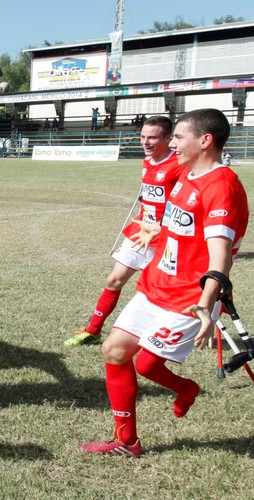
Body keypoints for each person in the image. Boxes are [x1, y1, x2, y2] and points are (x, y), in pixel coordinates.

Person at [80, 108, 248, 457]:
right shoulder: (187, 176)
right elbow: (184, 226)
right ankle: (127, 442)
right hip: (155, 285)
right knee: (114, 351)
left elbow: (220, 255)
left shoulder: (222, 187)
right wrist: (157, 230)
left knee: (146, 365)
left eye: (179, 137)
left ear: (205, 140)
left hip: (188, 298)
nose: (173, 144)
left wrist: (206, 303)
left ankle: (186, 388)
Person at [66, 116, 186, 346]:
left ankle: (176, 333)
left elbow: (182, 202)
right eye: (143, 137)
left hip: (165, 238)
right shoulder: (147, 161)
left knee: (163, 291)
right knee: (114, 280)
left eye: (152, 138)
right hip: (141, 232)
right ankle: (93, 330)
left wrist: (162, 227)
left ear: (168, 138)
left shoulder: (179, 164)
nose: (145, 142)